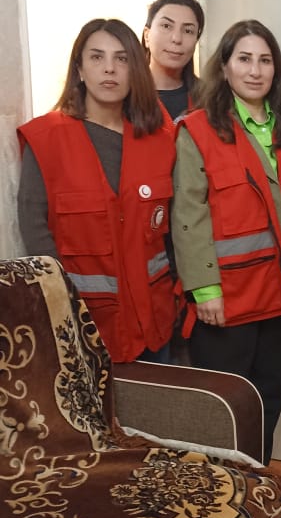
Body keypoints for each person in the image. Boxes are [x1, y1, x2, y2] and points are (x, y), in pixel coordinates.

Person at [171, 19, 281, 464]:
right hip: (228, 299)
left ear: (276, 70)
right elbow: (188, 215)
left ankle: (257, 488)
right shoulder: (197, 129)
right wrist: (204, 289)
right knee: (224, 405)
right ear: (224, 67)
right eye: (244, 59)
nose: (255, 70)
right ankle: (221, 493)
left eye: (265, 60)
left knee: (269, 399)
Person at [17, 18, 177, 363]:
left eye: (122, 59)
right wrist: (63, 307)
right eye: (96, 57)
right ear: (79, 69)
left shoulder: (161, 141)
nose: (109, 69)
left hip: (155, 322)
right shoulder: (46, 140)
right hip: (82, 326)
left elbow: (174, 229)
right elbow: (35, 231)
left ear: (135, 70)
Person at [142, 0, 205, 121]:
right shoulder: (122, 94)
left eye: (188, 31)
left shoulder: (209, 99)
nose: (177, 38)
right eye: (166, 26)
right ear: (147, 35)